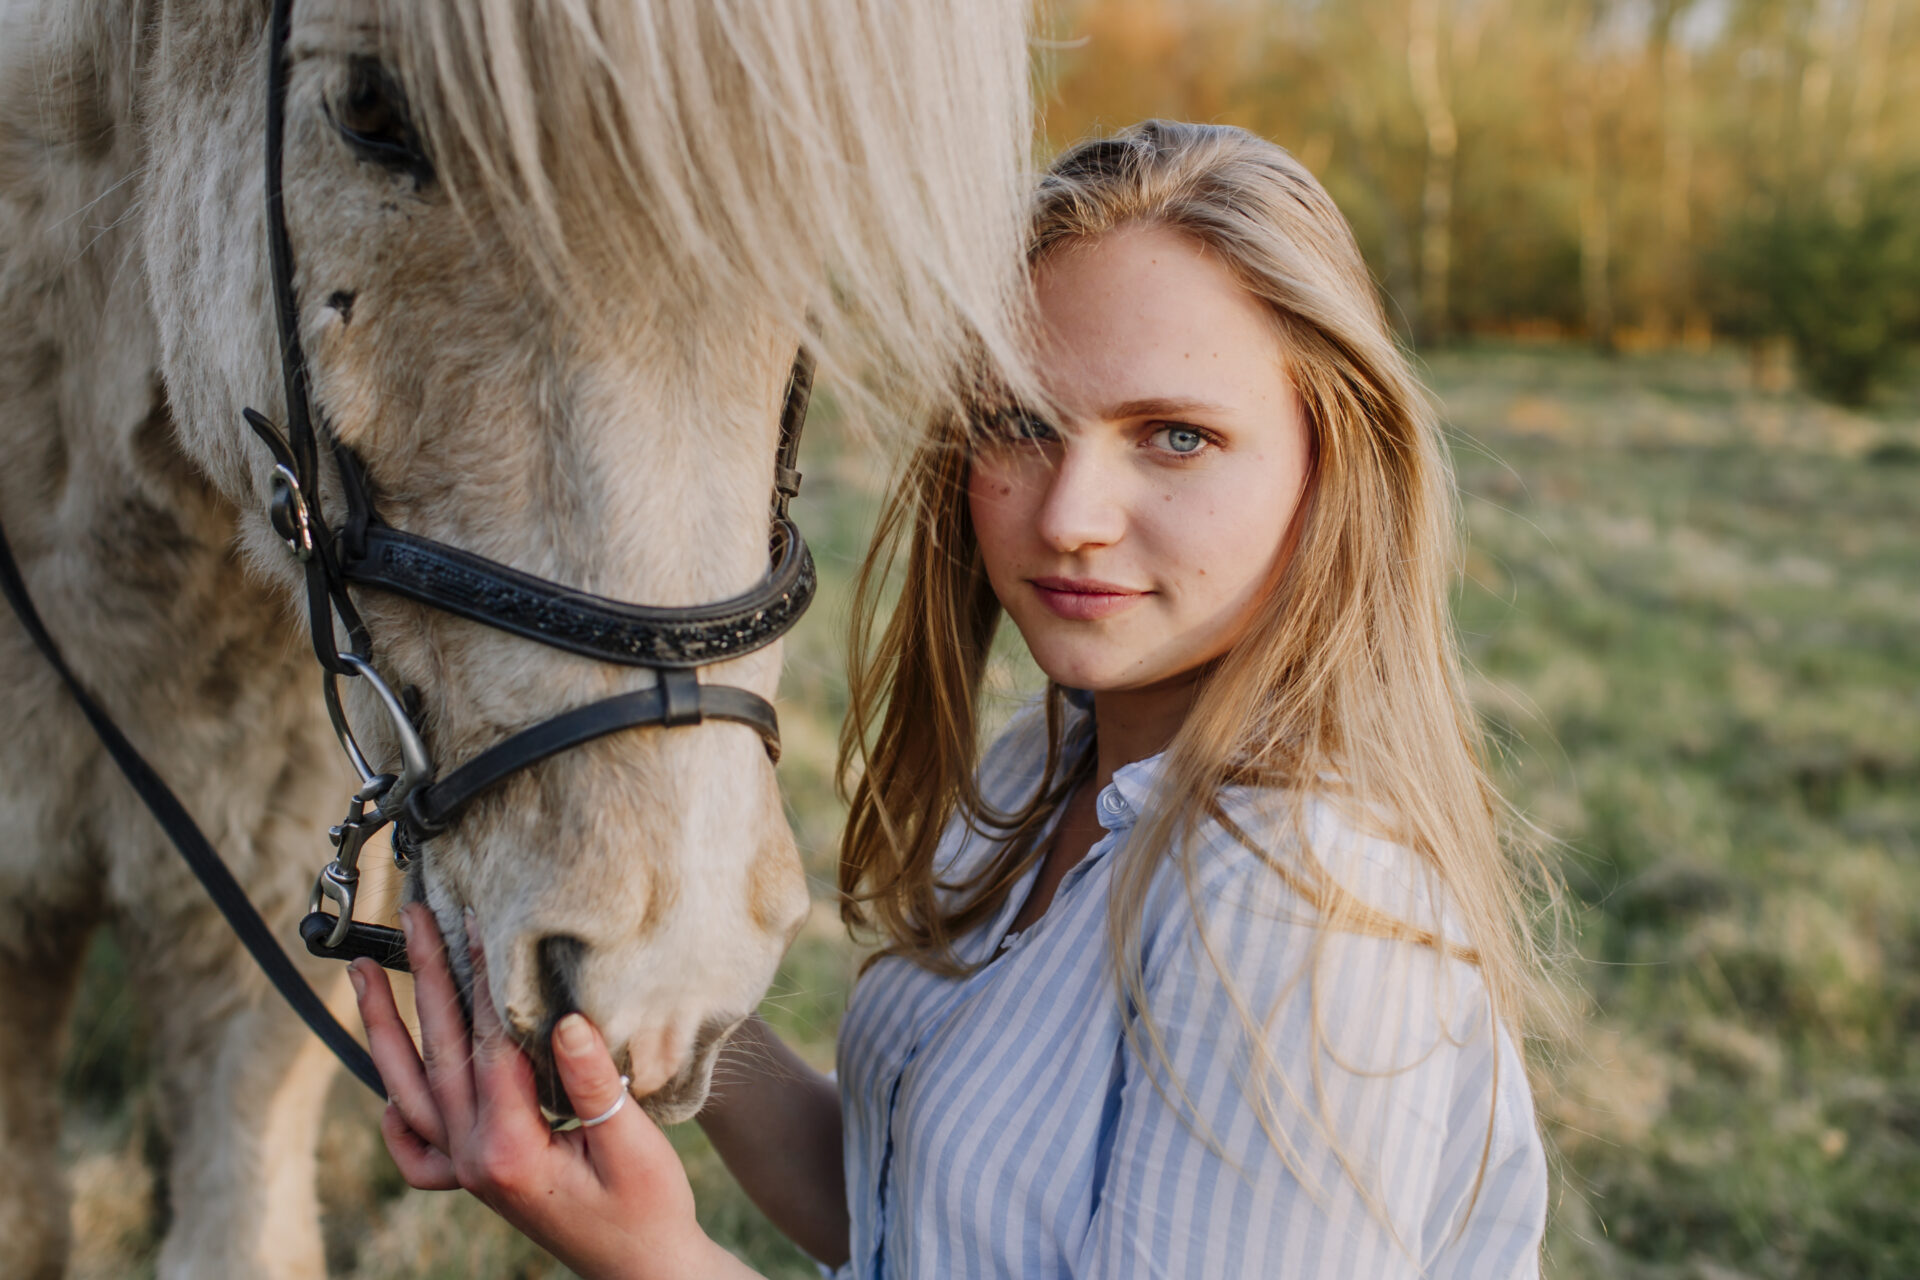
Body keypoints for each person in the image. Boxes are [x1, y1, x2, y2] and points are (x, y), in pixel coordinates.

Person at [351, 120, 1558, 1279]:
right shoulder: (1049, 764)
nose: (1070, 515)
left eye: (1176, 437)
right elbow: (913, 1209)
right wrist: (639, 992)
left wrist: (648, 1257)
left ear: (1332, 462)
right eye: (1021, 422)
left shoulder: (1299, 905)